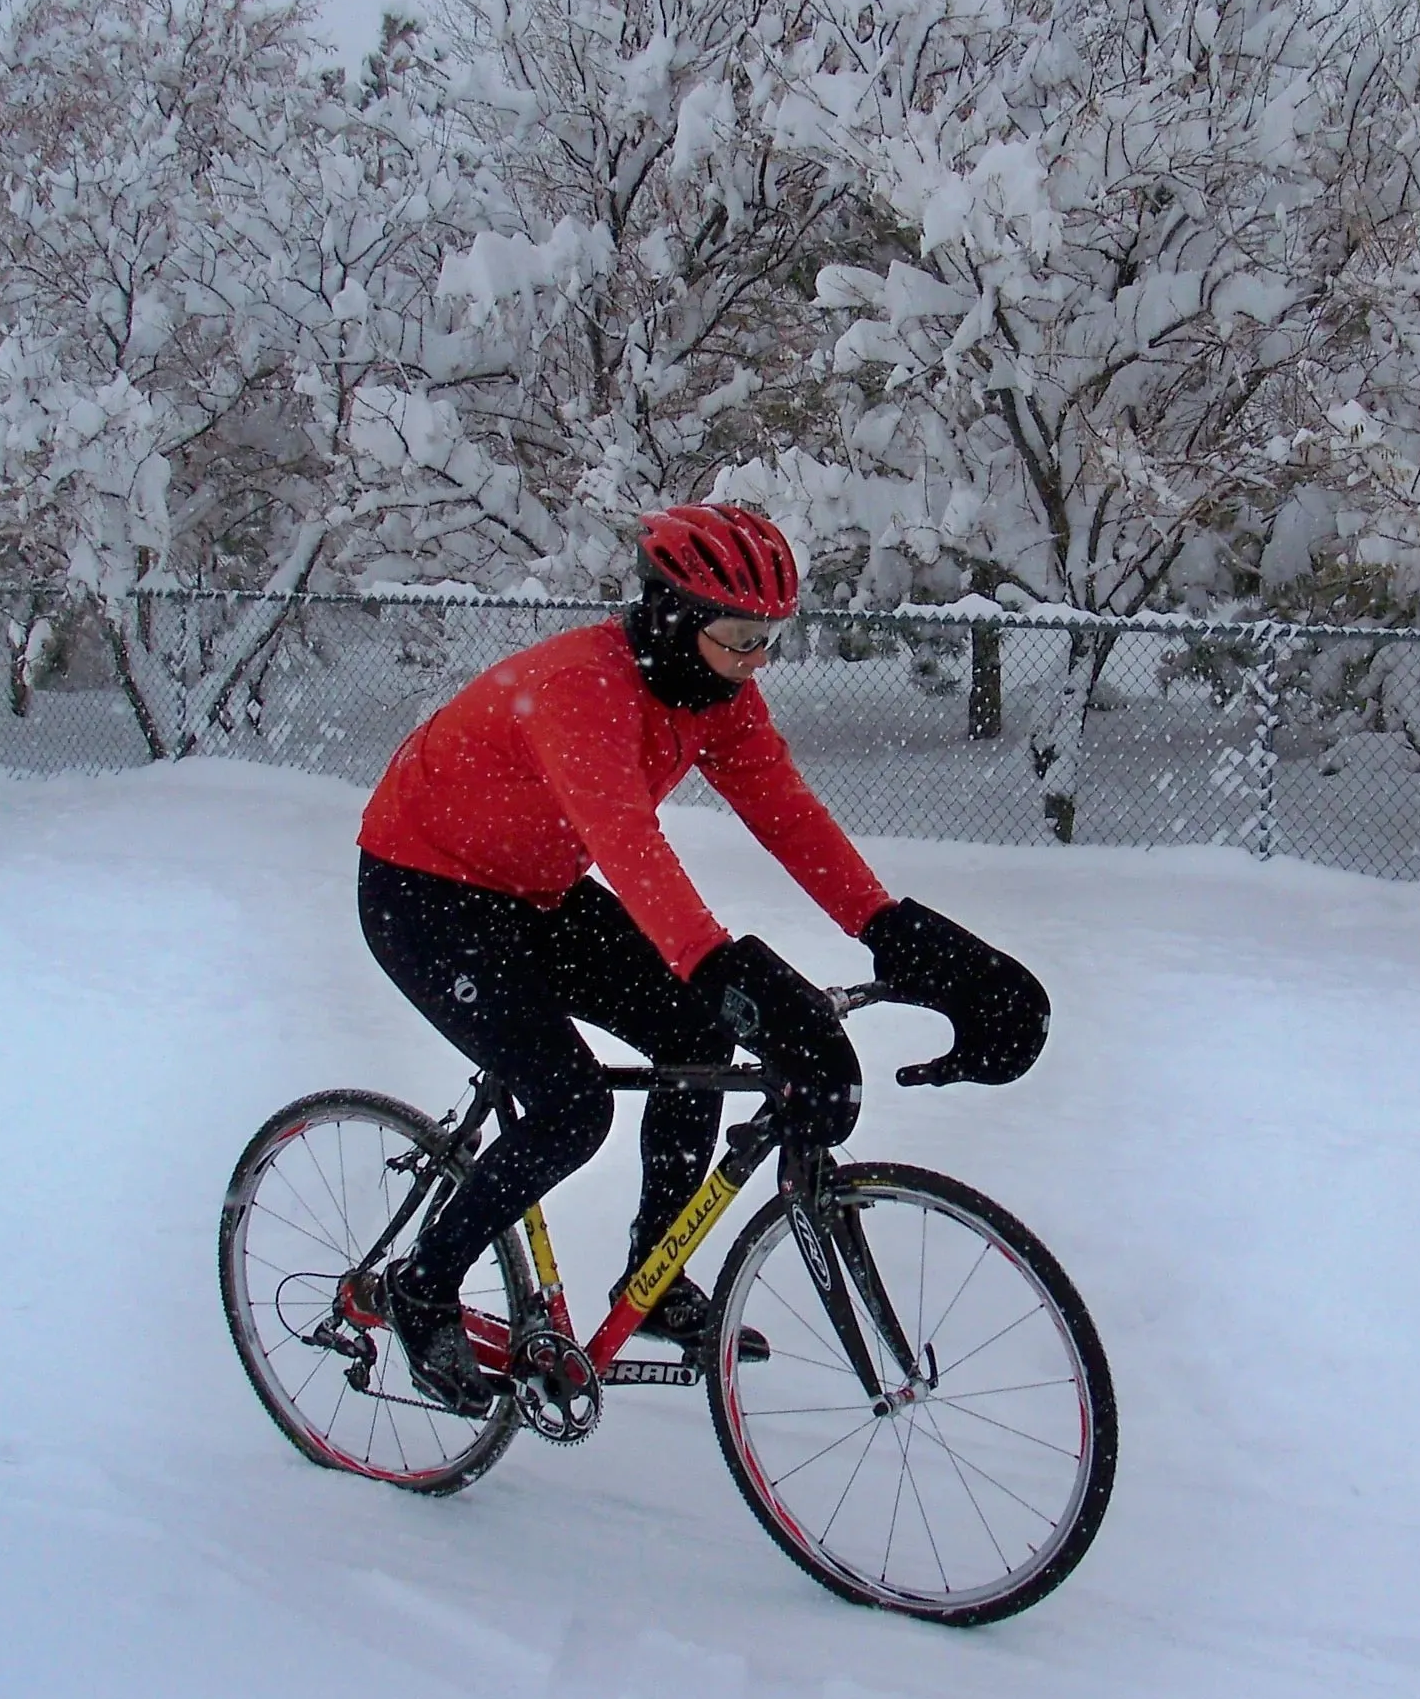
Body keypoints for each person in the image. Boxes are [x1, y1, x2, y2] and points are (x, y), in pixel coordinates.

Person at [355, 502, 1051, 1411]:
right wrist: (738, 975)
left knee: (691, 1030)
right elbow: (628, 843)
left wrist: (894, 930)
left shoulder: (718, 692)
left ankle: (655, 1272)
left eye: (770, 641)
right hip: (424, 892)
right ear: (673, 618)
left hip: (535, 893)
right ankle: (421, 1286)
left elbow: (788, 817)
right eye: (739, 640)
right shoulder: (580, 688)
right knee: (570, 1106)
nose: (756, 662)